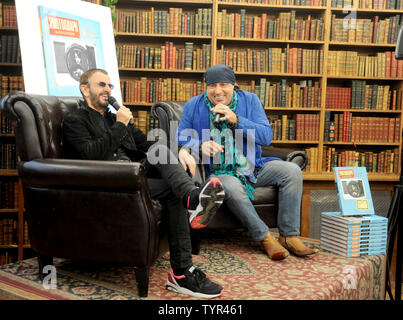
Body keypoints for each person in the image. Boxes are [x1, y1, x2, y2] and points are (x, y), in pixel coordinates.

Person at [62, 68, 225, 298]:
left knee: (159, 149)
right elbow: (91, 155)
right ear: (84, 88)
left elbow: (147, 144)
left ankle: (190, 205)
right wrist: (120, 125)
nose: (107, 90)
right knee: (171, 186)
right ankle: (182, 268)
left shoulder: (114, 117)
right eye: (101, 85)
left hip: (134, 176)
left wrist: (181, 151)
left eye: (110, 86)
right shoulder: (74, 121)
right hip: (108, 182)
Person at [177, 64, 318, 260]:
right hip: (219, 171)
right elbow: (181, 136)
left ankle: (289, 235)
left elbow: (266, 136)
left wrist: (237, 120)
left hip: (253, 167)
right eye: (212, 85)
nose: (217, 91)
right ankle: (265, 237)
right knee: (232, 186)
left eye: (223, 84)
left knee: (291, 171)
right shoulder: (194, 105)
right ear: (206, 87)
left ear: (234, 85)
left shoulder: (250, 100)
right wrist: (200, 144)